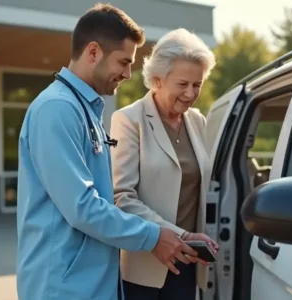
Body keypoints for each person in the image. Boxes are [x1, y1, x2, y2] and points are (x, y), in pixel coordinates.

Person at [15, 4, 200, 300]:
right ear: (93, 52)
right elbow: (83, 207)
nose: (129, 73)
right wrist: (153, 236)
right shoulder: (56, 110)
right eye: (124, 62)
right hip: (64, 289)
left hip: (93, 285)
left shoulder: (84, 110)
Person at [110, 28, 219, 300]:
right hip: (143, 266)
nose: (191, 93)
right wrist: (179, 234)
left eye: (197, 84)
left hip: (187, 262)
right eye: (183, 84)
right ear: (157, 80)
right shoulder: (128, 120)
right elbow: (121, 197)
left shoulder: (197, 121)